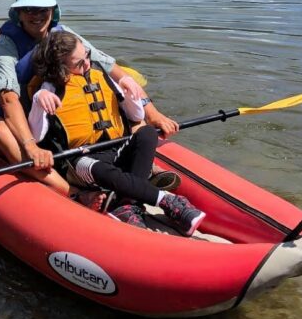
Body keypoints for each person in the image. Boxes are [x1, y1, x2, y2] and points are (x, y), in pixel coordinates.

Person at [0, 0, 180, 197]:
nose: (37, 15)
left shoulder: (65, 36)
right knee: (0, 132)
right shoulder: (6, 47)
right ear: (19, 14)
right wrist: (31, 145)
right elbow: (8, 99)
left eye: (43, 9)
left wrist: (153, 114)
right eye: (29, 9)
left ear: (53, 10)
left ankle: (135, 172)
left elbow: (112, 68)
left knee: (136, 120)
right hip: (25, 121)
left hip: (59, 119)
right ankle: (73, 191)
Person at [27, 30, 206, 234]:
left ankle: (127, 206)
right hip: (82, 161)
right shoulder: (48, 90)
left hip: (115, 150)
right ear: (60, 68)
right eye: (78, 63)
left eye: (87, 55)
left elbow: (136, 115)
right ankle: (168, 201)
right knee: (98, 168)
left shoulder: (101, 76)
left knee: (147, 133)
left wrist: (131, 94)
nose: (87, 63)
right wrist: (38, 102)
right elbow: (37, 135)